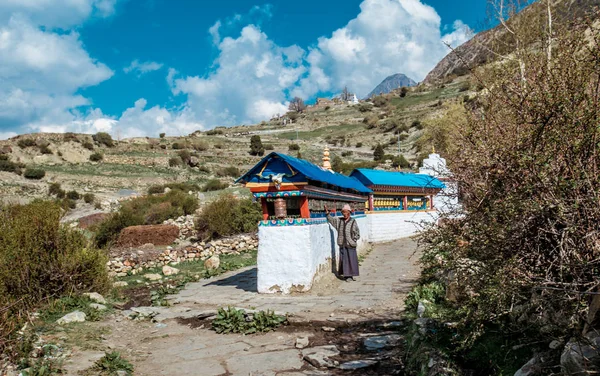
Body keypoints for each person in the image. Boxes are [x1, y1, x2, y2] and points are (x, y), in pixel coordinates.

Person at [325, 203, 360, 282]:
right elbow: (332, 220)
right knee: (344, 260)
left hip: (350, 244)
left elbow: (357, 233)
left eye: (346, 212)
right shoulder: (339, 221)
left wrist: (353, 240)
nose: (345, 214)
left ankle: (350, 276)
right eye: (343, 212)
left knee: (351, 260)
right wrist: (327, 213)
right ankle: (346, 275)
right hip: (342, 244)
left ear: (349, 213)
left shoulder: (353, 221)